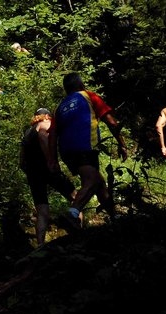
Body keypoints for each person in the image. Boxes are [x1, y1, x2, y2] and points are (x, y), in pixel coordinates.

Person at [48, 72, 128, 231]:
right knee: (92, 179)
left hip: (66, 151)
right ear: (81, 84)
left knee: (99, 184)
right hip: (85, 146)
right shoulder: (89, 96)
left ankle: (115, 218)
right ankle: (72, 213)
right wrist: (122, 144)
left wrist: (53, 160)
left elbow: (52, 136)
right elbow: (111, 122)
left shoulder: (59, 107)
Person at [20, 107, 79, 246]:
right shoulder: (45, 123)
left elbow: (21, 161)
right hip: (48, 169)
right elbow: (43, 137)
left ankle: (40, 245)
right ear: (46, 116)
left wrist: (30, 172)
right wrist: (51, 161)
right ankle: (78, 234)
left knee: (42, 211)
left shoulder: (27, 133)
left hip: (34, 174)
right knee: (75, 197)